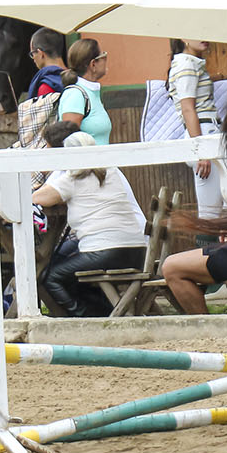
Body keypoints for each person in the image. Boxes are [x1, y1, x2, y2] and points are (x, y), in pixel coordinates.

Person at [31, 121, 147, 317]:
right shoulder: (110, 171)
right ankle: (109, 313)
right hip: (137, 250)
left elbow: (37, 198)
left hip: (103, 251)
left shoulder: (72, 178)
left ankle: (83, 317)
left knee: (50, 276)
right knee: (70, 273)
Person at [169, 38, 225, 217]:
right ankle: (209, 245)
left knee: (220, 207)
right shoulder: (186, 64)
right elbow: (187, 108)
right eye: (196, 33)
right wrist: (201, 150)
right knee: (211, 212)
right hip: (203, 133)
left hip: (208, 132)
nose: (204, 37)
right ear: (183, 38)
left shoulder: (192, 63)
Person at [58, 37, 111, 144]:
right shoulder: (75, 94)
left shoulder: (91, 92)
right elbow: (69, 142)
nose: (106, 59)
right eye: (103, 56)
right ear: (93, 64)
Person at [26, 27, 67, 101]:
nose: (33, 59)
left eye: (32, 54)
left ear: (40, 53)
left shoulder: (46, 87)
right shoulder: (77, 78)